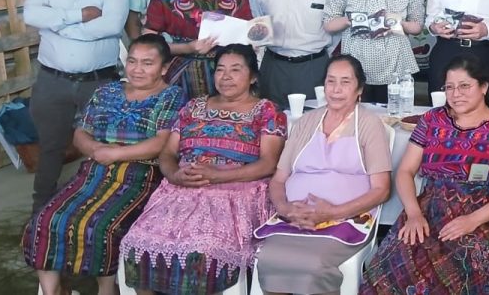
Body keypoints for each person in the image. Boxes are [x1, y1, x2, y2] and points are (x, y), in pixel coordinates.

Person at [23, 34, 184, 295]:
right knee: (46, 219)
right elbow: (80, 133)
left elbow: (160, 143)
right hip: (94, 171)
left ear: (164, 68)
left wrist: (115, 154)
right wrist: (96, 150)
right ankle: (53, 291)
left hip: (139, 175)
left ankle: (106, 289)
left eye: (147, 63)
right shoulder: (106, 91)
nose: (137, 69)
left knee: (101, 226)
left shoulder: (171, 96)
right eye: (132, 61)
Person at [120, 44, 286, 295]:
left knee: (201, 252)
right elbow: (167, 153)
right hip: (181, 191)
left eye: (235, 70)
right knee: (136, 245)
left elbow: (268, 164)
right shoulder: (193, 107)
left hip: (237, 194)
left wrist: (219, 176)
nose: (226, 76)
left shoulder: (267, 111)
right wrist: (175, 175)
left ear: (253, 76)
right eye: (220, 69)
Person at [361, 54, 489, 294]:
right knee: (388, 269)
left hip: (481, 214)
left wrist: (472, 220)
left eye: (464, 86)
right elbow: (406, 171)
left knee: (453, 274)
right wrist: (413, 213)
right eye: (449, 87)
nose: (456, 94)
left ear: (483, 87)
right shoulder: (432, 119)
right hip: (427, 208)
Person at [255, 55, 393, 295]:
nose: (336, 89)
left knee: (313, 264)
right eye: (331, 81)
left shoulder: (369, 124)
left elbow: (381, 189)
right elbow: (278, 180)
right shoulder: (305, 122)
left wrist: (333, 212)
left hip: (346, 219)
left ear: (359, 89)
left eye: (345, 82)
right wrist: (285, 209)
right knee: (268, 258)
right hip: (295, 218)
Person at [23, 0, 127, 212]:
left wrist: (57, 25)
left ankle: (103, 209)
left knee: (106, 144)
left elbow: (110, 26)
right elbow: (31, 15)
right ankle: (40, 211)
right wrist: (80, 14)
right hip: (52, 82)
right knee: (50, 147)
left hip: (99, 82)